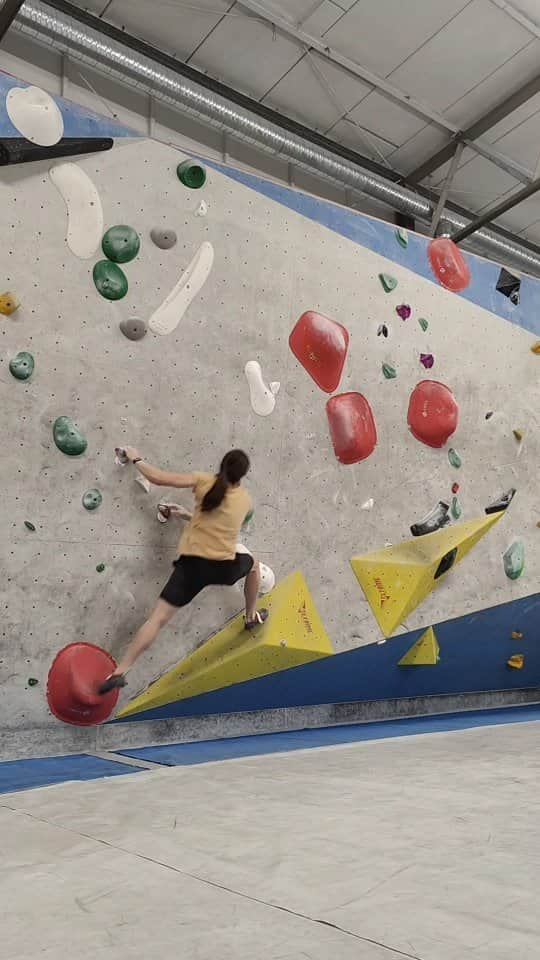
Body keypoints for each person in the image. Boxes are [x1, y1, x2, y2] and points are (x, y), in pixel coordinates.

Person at [99, 447, 267, 694]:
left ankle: (120, 671)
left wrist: (136, 456)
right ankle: (251, 617)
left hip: (192, 567)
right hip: (223, 568)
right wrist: (187, 515)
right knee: (253, 565)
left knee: (157, 619)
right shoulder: (245, 501)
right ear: (242, 476)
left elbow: (157, 477)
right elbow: (221, 527)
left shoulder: (203, 481)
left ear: (221, 465)